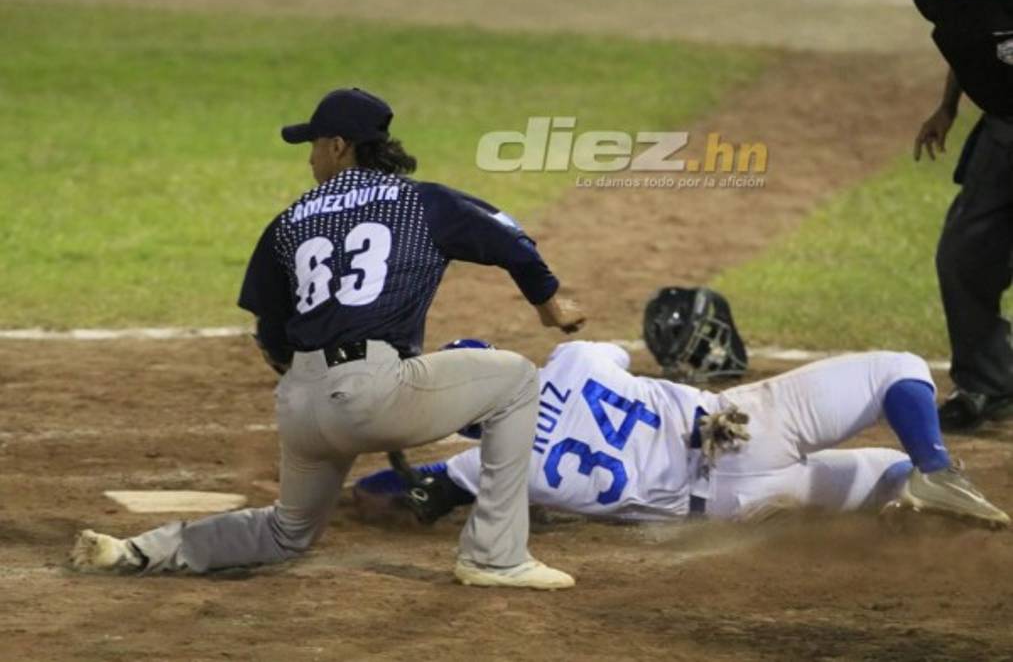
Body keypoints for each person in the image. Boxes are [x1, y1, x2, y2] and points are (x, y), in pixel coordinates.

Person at [69, 87, 586, 590]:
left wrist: (317, 381)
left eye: (314, 144)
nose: (311, 158)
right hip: (376, 392)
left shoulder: (287, 222)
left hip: (299, 405)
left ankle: (134, 551)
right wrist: (550, 305)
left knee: (284, 532)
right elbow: (513, 241)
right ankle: (496, 558)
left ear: (339, 145)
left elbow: (270, 335)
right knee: (517, 379)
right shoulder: (422, 201)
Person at [356, 339, 1010, 529]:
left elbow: (408, 488)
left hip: (721, 507)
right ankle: (935, 469)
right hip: (727, 430)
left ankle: (925, 509)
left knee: (876, 477)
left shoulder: (491, 465)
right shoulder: (574, 359)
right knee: (896, 369)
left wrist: (367, 484)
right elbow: (612, 351)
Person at [913, 0, 1013, 431]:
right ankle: (986, 383)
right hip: (1003, 131)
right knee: (963, 256)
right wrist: (947, 107)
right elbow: (966, 41)